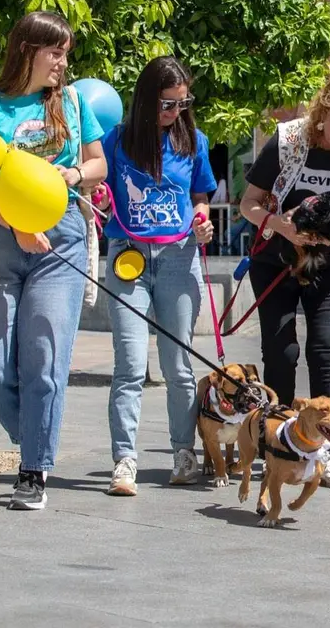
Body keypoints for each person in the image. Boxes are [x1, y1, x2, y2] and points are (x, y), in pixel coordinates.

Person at [0, 11, 108, 510]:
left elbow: (97, 163)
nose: (63, 63)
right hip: (2, 237)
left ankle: (33, 469)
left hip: (61, 237)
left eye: (66, 53)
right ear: (28, 50)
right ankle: (35, 428)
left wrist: (76, 175)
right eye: (56, 52)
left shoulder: (70, 102)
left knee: (45, 359)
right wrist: (17, 227)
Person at [240, 70, 330, 490]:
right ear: (323, 114)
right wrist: (281, 225)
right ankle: (279, 441)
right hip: (278, 258)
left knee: (325, 348)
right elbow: (248, 204)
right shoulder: (288, 139)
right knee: (281, 352)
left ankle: (326, 451)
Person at [95, 56, 217, 496]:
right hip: (128, 255)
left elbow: (200, 195)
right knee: (129, 365)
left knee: (178, 366)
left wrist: (203, 220)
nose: (176, 113)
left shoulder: (194, 141)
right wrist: (100, 198)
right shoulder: (116, 141)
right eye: (168, 104)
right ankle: (124, 461)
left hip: (179, 257)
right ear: (147, 101)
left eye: (183, 103)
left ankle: (184, 454)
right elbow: (101, 188)